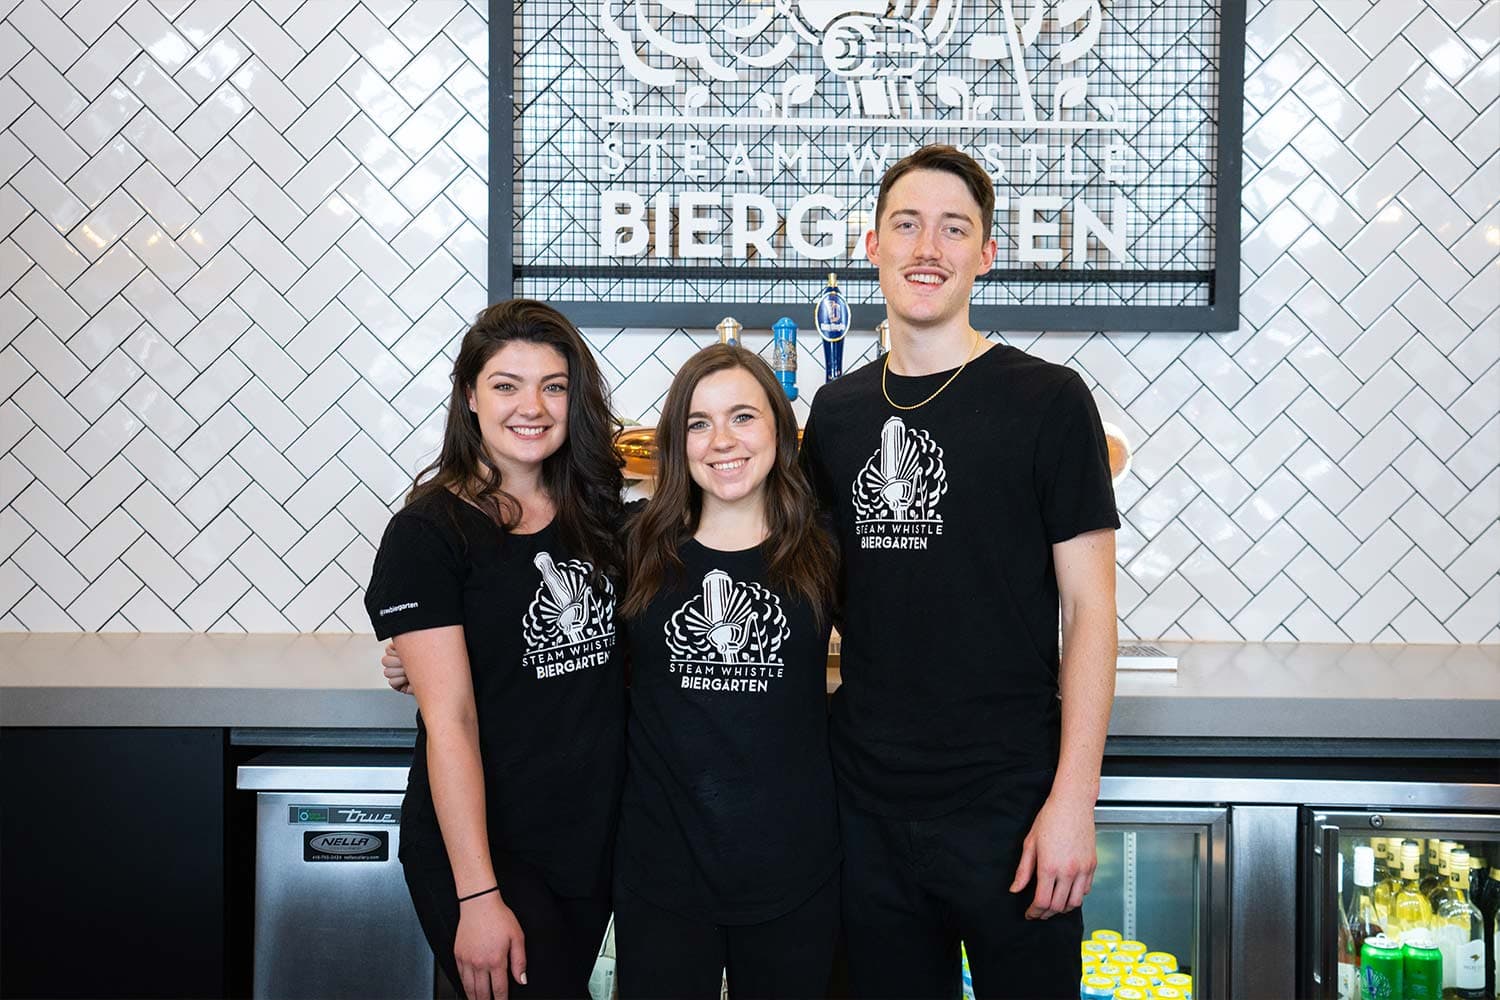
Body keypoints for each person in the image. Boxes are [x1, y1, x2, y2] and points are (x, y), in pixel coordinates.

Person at [798, 143, 1119, 998]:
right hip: (864, 807)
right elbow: (806, 591)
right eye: (907, 225)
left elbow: (1091, 611)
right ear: (873, 246)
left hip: (1009, 807)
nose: (927, 247)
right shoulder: (836, 412)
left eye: (953, 228)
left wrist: (1073, 802)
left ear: (986, 253)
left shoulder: (1050, 400)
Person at [363, 299, 626, 1000]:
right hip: (488, 852)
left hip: (588, 843)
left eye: (553, 386)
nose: (531, 407)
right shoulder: (429, 533)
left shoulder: (597, 514)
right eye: (506, 385)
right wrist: (477, 895)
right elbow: (451, 720)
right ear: (470, 396)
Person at [612, 345, 841, 998]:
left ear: (778, 429)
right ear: (677, 442)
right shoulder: (634, 544)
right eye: (699, 423)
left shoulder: (824, 548)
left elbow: (907, 646)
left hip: (795, 875)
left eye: (743, 416)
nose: (722, 441)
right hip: (662, 876)